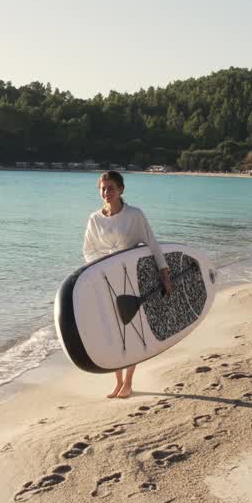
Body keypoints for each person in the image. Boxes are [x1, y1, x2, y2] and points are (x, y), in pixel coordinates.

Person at [82, 171, 173, 399]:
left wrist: (165, 274)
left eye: (111, 188)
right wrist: (102, 266)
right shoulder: (95, 219)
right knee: (113, 330)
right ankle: (118, 382)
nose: (106, 193)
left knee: (132, 330)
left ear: (121, 189)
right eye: (103, 188)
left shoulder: (134, 215)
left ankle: (129, 383)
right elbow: (88, 250)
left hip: (131, 277)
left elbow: (151, 243)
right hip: (107, 280)